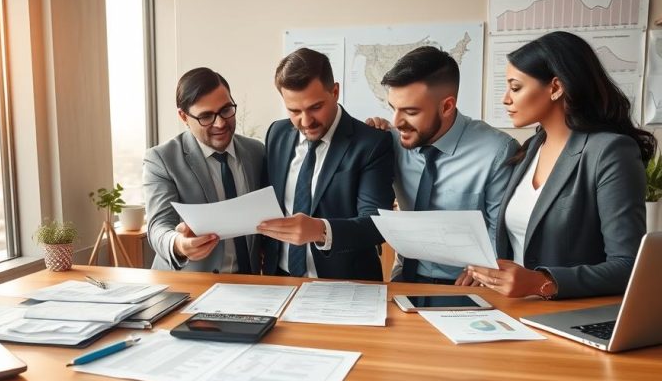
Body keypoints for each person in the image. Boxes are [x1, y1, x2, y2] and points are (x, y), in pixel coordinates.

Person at [467, 31, 656, 299]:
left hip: (570, 317)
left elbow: (629, 266)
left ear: (555, 88)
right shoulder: (532, 147)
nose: (505, 99)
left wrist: (540, 282)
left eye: (516, 87)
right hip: (513, 312)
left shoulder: (609, 151)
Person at [367, 46, 518, 284]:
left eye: (411, 111)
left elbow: (499, 231)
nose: (397, 121)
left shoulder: (496, 151)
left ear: (447, 106)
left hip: (466, 284)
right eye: (393, 108)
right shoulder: (390, 141)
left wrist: (483, 270)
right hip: (403, 276)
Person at [257, 48, 395, 281]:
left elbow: (376, 224)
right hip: (280, 279)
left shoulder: (372, 143)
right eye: (294, 110)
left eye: (315, 107)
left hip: (346, 284)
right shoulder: (276, 133)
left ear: (335, 91)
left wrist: (321, 230)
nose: (305, 121)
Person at [143, 67, 265, 273]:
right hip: (190, 284)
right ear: (183, 116)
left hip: (250, 282)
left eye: (226, 110)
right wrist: (179, 244)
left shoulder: (257, 151)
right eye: (206, 116)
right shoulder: (162, 159)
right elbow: (158, 227)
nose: (220, 123)